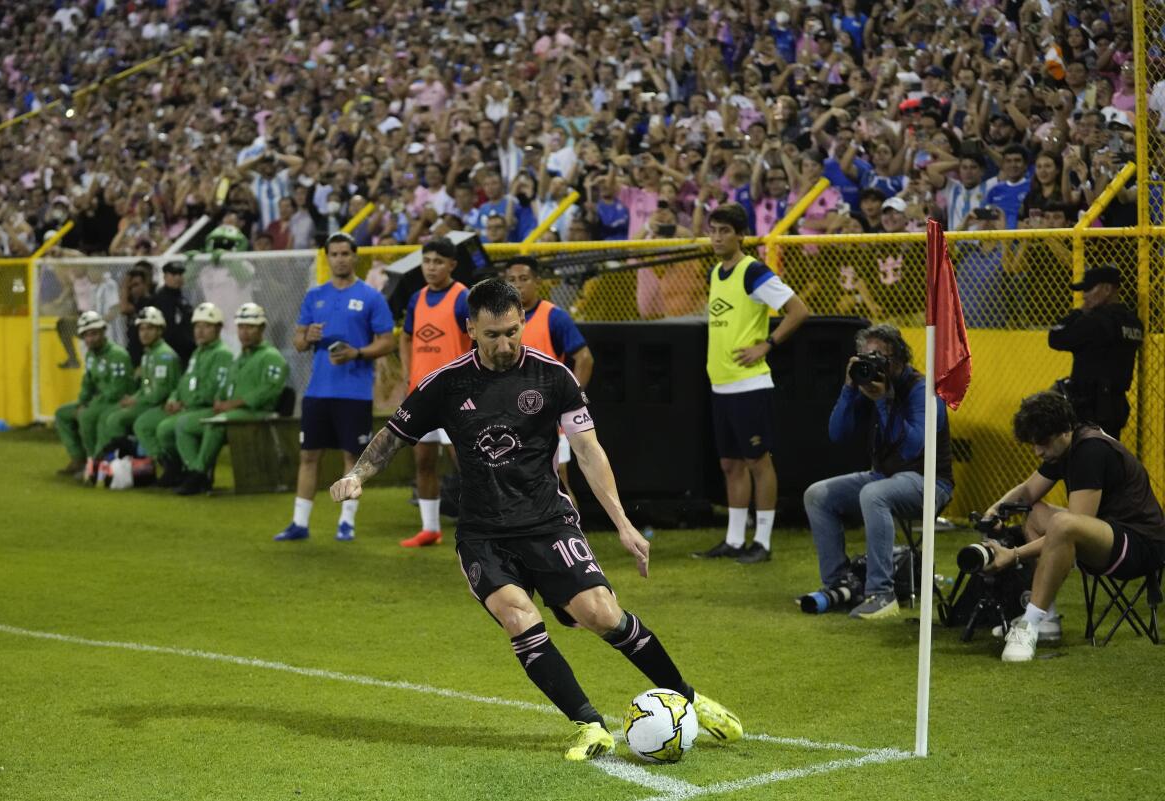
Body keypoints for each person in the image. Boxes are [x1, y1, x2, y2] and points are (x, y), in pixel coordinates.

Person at [329, 278, 743, 761]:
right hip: (484, 535)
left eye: (512, 331)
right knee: (519, 618)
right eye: (492, 335)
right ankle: (589, 726)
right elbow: (393, 435)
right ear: (470, 330)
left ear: (522, 322)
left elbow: (589, 451)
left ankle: (689, 699)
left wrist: (624, 525)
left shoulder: (554, 377)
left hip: (548, 523)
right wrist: (359, 473)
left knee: (603, 615)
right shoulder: (446, 383)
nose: (505, 344)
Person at [982, 391, 1165, 662]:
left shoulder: (1090, 451)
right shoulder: (1067, 446)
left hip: (1141, 546)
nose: (1037, 451)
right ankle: (1047, 618)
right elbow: (1028, 492)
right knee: (1035, 514)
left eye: (1042, 442)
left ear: (1065, 430)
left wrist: (1014, 555)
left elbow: (1072, 527)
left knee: (1063, 523)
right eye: (1033, 444)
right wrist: (995, 510)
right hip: (1110, 535)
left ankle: (1029, 624)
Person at [802, 324, 954, 619]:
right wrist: (849, 389)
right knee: (817, 495)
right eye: (864, 357)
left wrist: (883, 402)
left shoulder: (923, 390)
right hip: (884, 477)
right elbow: (837, 433)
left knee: (874, 494)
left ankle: (881, 594)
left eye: (878, 357)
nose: (871, 364)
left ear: (897, 359)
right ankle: (840, 585)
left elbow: (912, 448)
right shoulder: (866, 384)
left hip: (929, 482)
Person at [693, 204, 809, 564]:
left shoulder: (753, 271)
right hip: (721, 385)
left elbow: (798, 310)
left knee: (758, 461)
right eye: (713, 230)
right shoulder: (716, 272)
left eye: (725, 231)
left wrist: (767, 344)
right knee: (730, 464)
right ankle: (733, 539)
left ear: (741, 235)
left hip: (749, 385)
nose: (716, 237)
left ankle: (762, 541)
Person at [276, 233, 396, 542]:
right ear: (327, 257)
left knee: (352, 460)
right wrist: (309, 337)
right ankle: (299, 523)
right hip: (318, 391)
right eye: (335, 254)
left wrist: (357, 353)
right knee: (308, 456)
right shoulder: (315, 296)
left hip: (354, 393)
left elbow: (387, 341)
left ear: (356, 257)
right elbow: (298, 341)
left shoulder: (371, 297)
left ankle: (346, 523)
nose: (340, 258)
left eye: (345, 253)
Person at [173, 302, 290, 496]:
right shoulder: (240, 358)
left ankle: (199, 473)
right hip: (234, 411)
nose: (244, 333)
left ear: (262, 328)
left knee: (216, 423)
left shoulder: (272, 357)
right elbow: (226, 385)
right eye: (241, 327)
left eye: (250, 327)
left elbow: (269, 391)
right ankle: (196, 471)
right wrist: (220, 400)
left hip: (259, 412)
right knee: (183, 424)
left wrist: (235, 403)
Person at [503, 255, 594, 505]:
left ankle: (573, 540)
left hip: (547, 416)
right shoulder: (503, 320)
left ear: (537, 281)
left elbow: (584, 358)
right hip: (512, 414)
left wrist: (573, 398)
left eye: (524, 279)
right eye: (511, 280)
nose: (518, 285)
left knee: (557, 482)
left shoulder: (554, 317)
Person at [399, 238, 471, 547]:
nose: (431, 267)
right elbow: (405, 337)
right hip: (421, 395)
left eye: (438, 261)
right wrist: (408, 374)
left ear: (452, 265)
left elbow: (478, 340)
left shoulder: (463, 297)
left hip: (454, 397)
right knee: (423, 462)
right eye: (427, 261)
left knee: (467, 464)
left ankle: (480, 526)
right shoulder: (417, 298)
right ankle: (430, 529)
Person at [1047, 265, 1143, 441]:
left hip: (1088, 407)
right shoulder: (1133, 321)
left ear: (1107, 289)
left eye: (1089, 289)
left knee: (1084, 460)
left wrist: (1079, 312)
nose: (1084, 295)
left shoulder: (1096, 322)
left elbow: (1055, 337)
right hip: (1116, 406)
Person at [151, 303, 234, 487]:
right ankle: (178, 469)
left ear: (218, 328)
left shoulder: (222, 354)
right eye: (197, 326)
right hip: (190, 408)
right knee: (163, 428)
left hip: (208, 409)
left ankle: (197, 472)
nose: (200, 331)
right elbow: (183, 382)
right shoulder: (198, 353)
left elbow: (214, 389)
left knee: (181, 424)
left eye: (206, 326)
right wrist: (174, 398)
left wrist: (187, 404)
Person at [53, 311, 136, 481]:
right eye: (86, 335)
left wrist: (90, 405)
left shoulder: (117, 355)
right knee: (62, 413)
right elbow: (88, 382)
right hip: (99, 401)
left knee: (87, 416)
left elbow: (118, 391)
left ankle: (95, 462)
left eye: (94, 334)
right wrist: (82, 401)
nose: (90, 339)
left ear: (103, 331)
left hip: (118, 402)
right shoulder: (91, 355)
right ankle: (78, 458)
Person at [96, 306, 180, 459]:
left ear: (160, 331)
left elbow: (159, 394)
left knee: (116, 419)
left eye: (150, 328)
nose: (145, 333)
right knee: (108, 415)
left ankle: (129, 460)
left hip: (158, 405)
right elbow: (145, 387)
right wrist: (134, 397)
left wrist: (136, 400)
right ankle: (109, 460)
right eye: (141, 329)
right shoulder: (149, 354)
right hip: (147, 402)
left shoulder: (164, 356)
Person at [147, 262, 195, 368]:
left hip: (186, 352)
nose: (177, 278)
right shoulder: (159, 299)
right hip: (168, 353)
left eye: (180, 274)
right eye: (173, 274)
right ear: (165, 277)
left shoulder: (183, 297)